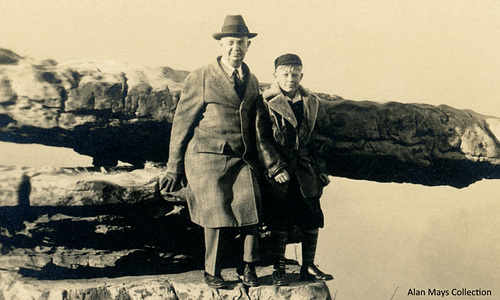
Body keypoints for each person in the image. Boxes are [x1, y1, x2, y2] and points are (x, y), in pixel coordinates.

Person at [159, 15, 283, 289]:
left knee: (251, 205)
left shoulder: (252, 80)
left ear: (248, 46)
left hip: (241, 158)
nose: (235, 48)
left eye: (241, 43)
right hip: (206, 157)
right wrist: (173, 167)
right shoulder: (201, 77)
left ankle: (248, 267)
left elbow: (258, 123)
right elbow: (182, 124)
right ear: (220, 46)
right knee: (215, 210)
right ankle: (211, 271)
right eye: (230, 43)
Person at [257, 54, 334, 286]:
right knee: (280, 218)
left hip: (305, 169)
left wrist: (321, 169)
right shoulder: (265, 101)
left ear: (302, 75)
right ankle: (278, 268)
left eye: (295, 74)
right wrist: (275, 167)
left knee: (311, 215)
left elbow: (317, 140)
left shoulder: (311, 102)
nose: (290, 78)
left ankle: (308, 266)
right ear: (275, 75)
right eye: (285, 74)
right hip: (280, 172)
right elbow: (262, 139)